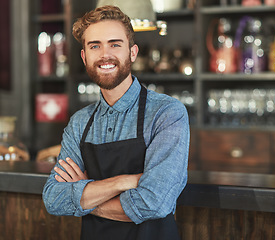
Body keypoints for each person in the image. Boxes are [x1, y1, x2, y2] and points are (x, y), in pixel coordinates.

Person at [42, 5, 190, 240]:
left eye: (115, 44)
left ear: (132, 52)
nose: (105, 55)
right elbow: (54, 199)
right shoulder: (79, 123)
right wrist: (125, 181)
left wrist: (86, 193)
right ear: (84, 57)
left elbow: (155, 202)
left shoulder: (167, 113)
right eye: (94, 46)